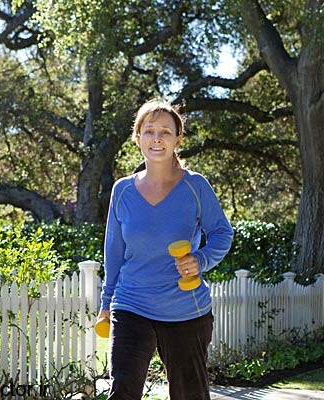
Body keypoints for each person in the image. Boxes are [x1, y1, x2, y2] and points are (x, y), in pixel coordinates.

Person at [98, 99, 234, 400]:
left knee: (190, 395)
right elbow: (114, 253)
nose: (157, 138)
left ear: (177, 140)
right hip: (131, 304)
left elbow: (222, 232)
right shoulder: (122, 190)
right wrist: (106, 302)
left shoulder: (196, 187)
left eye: (165, 132)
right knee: (122, 391)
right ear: (138, 138)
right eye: (149, 131)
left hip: (185, 310)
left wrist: (200, 259)